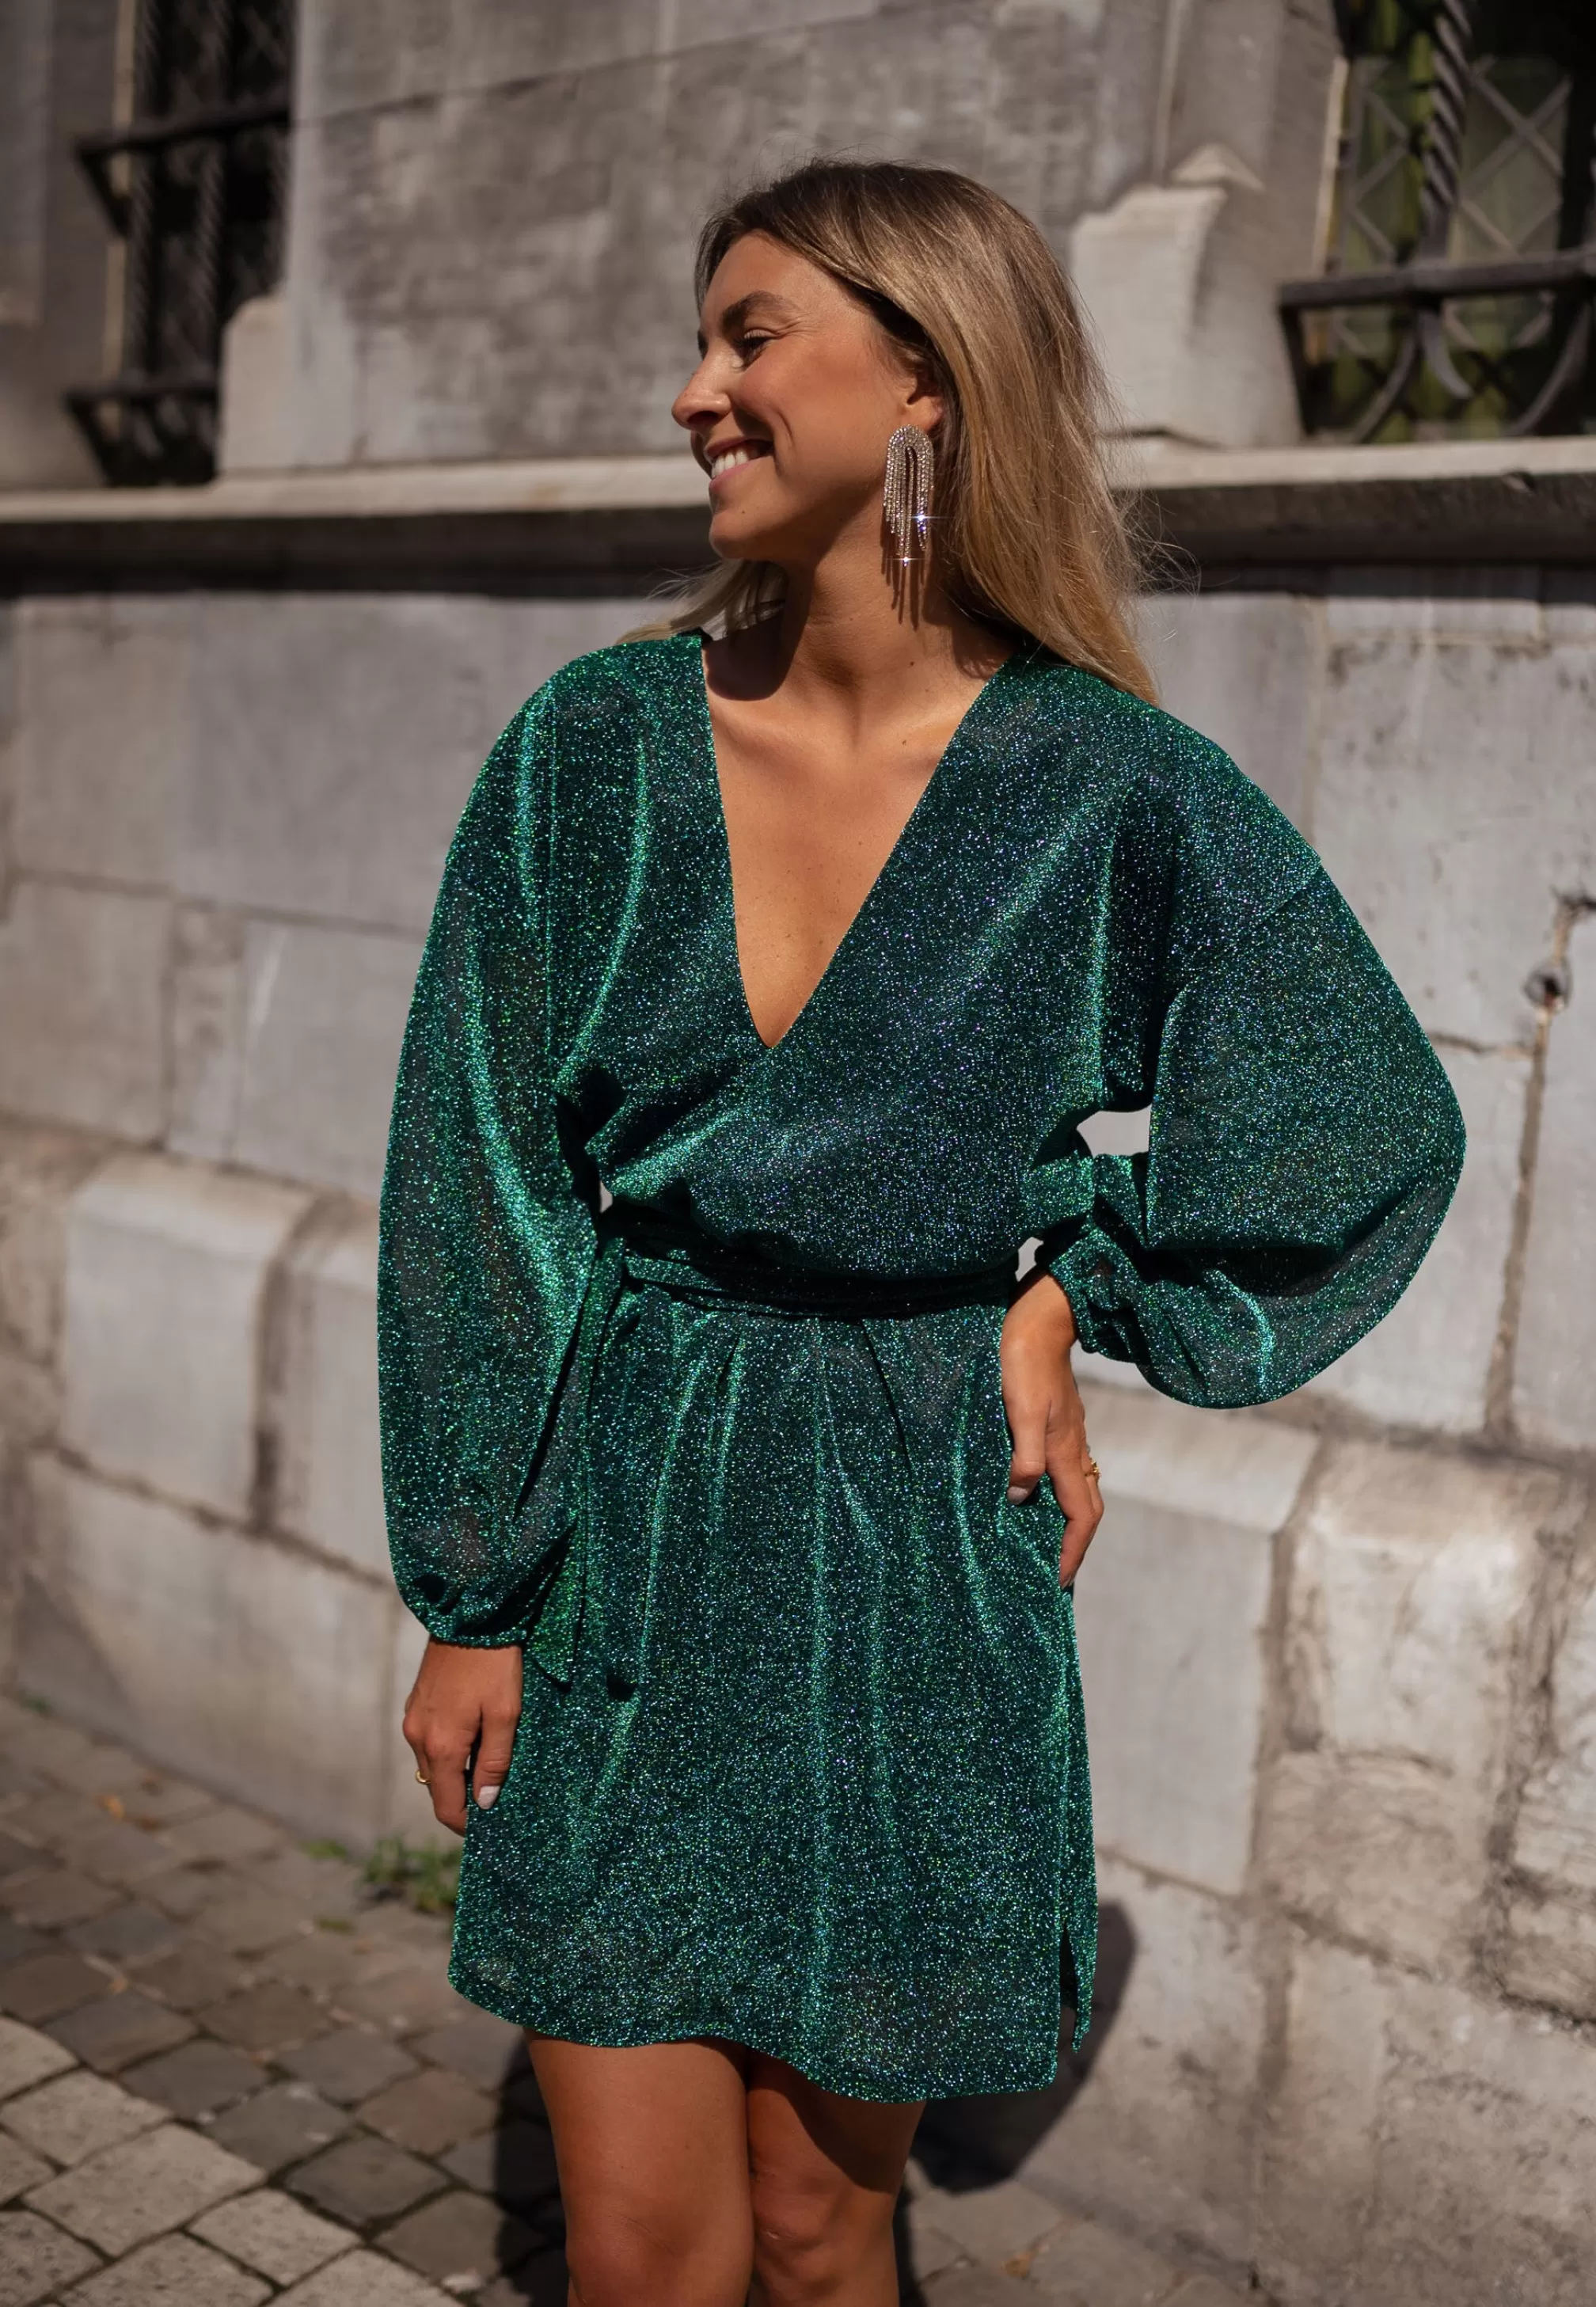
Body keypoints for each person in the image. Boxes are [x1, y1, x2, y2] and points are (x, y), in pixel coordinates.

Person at [379, 159, 1465, 2307]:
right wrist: (475, 1590)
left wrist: (1072, 1287)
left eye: (750, 335)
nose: (694, 391)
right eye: (701, 341)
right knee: (646, 2251)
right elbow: (475, 1181)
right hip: (630, 1530)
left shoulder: (1107, 785)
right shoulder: (591, 753)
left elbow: (1358, 1127)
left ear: (928, 380)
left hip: (917, 1546)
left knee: (820, 2224)